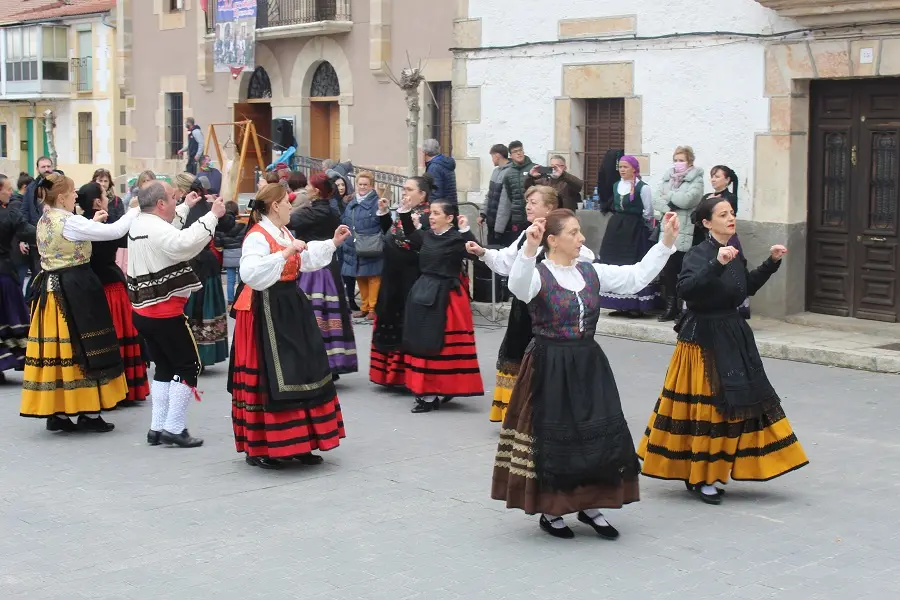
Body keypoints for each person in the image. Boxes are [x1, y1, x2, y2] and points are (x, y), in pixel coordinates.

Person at [492, 209, 679, 539]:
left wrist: (665, 242)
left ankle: (590, 504)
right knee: (555, 437)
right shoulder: (539, 274)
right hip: (549, 365)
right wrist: (528, 250)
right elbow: (518, 286)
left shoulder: (590, 272)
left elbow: (635, 278)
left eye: (580, 232)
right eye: (574, 233)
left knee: (594, 436)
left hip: (588, 363)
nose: (581, 239)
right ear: (554, 240)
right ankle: (552, 510)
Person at [638, 196, 808, 504]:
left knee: (740, 401)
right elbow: (686, 290)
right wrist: (717, 263)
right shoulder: (697, 254)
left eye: (732, 213)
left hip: (733, 333)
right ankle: (702, 476)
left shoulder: (735, 253)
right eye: (723, 214)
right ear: (706, 223)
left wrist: (770, 263)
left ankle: (717, 469)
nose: (731, 218)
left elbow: (743, 289)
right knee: (709, 407)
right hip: (702, 340)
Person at [229, 183, 351, 469]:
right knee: (271, 375)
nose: (290, 207)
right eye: (286, 202)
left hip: (290, 305)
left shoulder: (282, 232)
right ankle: (262, 446)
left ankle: (302, 442)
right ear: (274, 206)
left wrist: (332, 243)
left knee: (304, 367)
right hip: (266, 308)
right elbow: (249, 273)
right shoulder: (257, 237)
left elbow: (303, 259)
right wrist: (284, 254)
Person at [20, 173, 140, 433]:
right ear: (62, 196)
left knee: (59, 351)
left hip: (50, 291)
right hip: (75, 289)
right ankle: (88, 412)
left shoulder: (44, 219)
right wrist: (134, 211)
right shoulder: (70, 221)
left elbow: (77, 234)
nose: (76, 195)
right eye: (73, 191)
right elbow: (115, 232)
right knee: (86, 347)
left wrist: (90, 224)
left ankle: (58, 412)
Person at [466, 186, 594, 423]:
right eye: (527, 202)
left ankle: (544, 413)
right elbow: (507, 260)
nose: (528, 206)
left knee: (544, 359)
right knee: (517, 354)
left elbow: (586, 261)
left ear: (550, 208)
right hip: (523, 309)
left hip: (549, 310)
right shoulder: (528, 233)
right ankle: (517, 413)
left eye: (534, 202)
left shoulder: (564, 238)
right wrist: (483, 252)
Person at [128, 182, 226, 448]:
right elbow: (183, 243)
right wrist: (212, 216)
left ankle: (157, 428)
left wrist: (186, 206)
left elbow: (168, 230)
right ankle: (174, 428)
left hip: (144, 312)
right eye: (173, 198)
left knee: (165, 367)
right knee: (188, 366)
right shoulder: (156, 228)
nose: (177, 200)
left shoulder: (140, 221)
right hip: (164, 313)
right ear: (160, 203)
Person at [388, 197, 483, 413]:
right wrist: (403, 211)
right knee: (422, 342)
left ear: (449, 218)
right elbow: (411, 234)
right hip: (423, 292)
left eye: (436, 213)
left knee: (442, 344)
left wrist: (467, 231)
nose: (431, 217)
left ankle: (443, 389)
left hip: (447, 297)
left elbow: (476, 254)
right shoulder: (427, 236)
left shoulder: (457, 238)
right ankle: (427, 393)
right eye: (430, 213)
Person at [76, 182, 149, 406]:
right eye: (104, 196)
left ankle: (105, 390)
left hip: (89, 288)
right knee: (117, 337)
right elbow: (123, 237)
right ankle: (123, 388)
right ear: (97, 202)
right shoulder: (99, 224)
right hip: (109, 288)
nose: (108, 198)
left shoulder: (78, 223)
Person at [290, 172, 358, 377]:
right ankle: (328, 363)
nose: (306, 189)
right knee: (325, 314)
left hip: (317, 269)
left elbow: (289, 220)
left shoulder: (319, 211)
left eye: (309, 186)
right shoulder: (325, 207)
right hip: (324, 263)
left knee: (317, 315)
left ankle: (322, 363)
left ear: (317, 191)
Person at [370, 176, 432, 389]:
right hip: (393, 274)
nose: (404, 193)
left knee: (404, 322)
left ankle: (404, 375)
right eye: (404, 189)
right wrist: (385, 215)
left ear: (422, 194)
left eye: (409, 189)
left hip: (410, 277)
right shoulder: (406, 210)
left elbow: (413, 241)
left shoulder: (427, 215)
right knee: (389, 317)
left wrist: (402, 217)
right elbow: (392, 235)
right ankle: (388, 375)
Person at [175, 173, 235, 368]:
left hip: (187, 266)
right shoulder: (207, 208)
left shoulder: (179, 211)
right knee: (202, 310)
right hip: (206, 264)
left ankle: (186, 353)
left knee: (189, 311)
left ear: (183, 190)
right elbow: (229, 225)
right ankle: (204, 353)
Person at [596, 155, 657, 317]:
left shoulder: (643, 187)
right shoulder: (616, 185)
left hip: (634, 229)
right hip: (616, 228)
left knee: (632, 264)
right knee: (615, 263)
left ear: (634, 169)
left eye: (625, 167)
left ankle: (634, 306)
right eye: (620, 167)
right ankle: (619, 304)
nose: (622, 170)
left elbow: (648, 211)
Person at [653, 146, 704, 322]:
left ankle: (683, 308)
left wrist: (670, 196)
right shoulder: (668, 177)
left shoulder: (696, 179)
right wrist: (670, 209)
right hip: (668, 228)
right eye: (676, 159)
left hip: (685, 231)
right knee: (668, 271)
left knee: (683, 271)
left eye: (681, 160)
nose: (678, 163)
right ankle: (670, 306)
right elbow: (656, 199)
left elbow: (689, 199)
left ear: (689, 161)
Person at [693, 165, 749, 319]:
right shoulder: (707, 197)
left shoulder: (729, 198)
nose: (713, 179)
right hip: (707, 239)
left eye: (717, 176)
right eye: (712, 176)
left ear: (727, 180)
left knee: (730, 270)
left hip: (728, 240)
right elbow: (695, 217)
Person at [0, 174, 36, 380]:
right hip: (3, 275)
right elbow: (27, 231)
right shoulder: (9, 215)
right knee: (9, 317)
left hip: (4, 271)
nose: (10, 192)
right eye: (7, 189)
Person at [340, 170, 382, 320]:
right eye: (360, 184)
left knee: (373, 277)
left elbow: (383, 223)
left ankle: (373, 308)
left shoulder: (377, 203)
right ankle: (364, 307)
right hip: (353, 245)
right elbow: (344, 220)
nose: (362, 187)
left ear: (371, 186)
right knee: (360, 276)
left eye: (366, 184)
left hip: (371, 245)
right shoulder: (352, 202)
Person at [497, 141, 535, 246]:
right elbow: (510, 194)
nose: (519, 153)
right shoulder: (508, 173)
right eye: (515, 151)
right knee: (518, 246)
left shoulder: (534, 169)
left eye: (520, 150)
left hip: (533, 217)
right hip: (517, 218)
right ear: (511, 155)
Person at [479, 144, 511, 243]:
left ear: (497, 156)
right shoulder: (495, 171)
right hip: (491, 221)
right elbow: (490, 194)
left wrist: (499, 228)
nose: (492, 160)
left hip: (502, 225)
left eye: (492, 156)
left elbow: (504, 203)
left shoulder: (510, 172)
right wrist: (483, 214)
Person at [217, 200, 246, 306]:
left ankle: (230, 302)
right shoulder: (243, 225)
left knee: (230, 280)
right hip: (240, 254)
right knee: (241, 279)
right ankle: (241, 300)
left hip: (228, 254)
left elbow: (218, 242)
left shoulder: (222, 227)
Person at [10, 172, 33, 293]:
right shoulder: (17, 204)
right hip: (18, 252)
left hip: (19, 250)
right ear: (25, 188)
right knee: (18, 281)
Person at [423, 138, 458, 203]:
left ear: (425, 152)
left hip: (442, 209)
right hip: (450, 205)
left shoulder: (434, 167)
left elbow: (435, 193)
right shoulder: (443, 162)